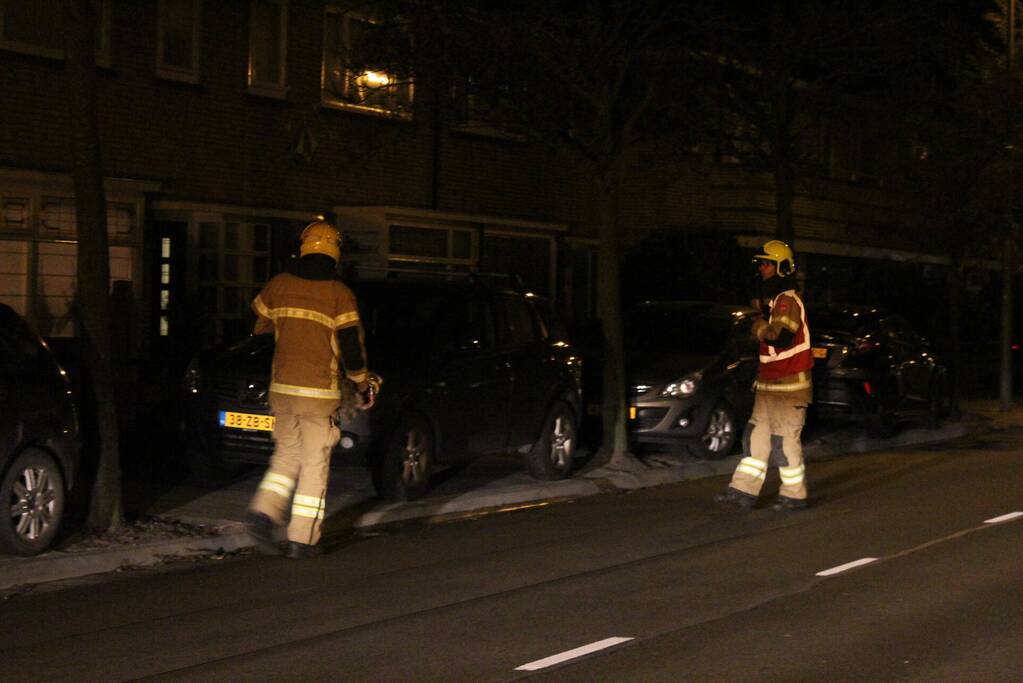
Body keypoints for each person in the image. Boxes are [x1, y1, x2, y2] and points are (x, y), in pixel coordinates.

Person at [245, 219, 375, 558]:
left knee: (287, 453)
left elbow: (259, 325)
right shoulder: (339, 295)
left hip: (282, 390)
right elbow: (351, 348)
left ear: (303, 248)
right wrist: (362, 384)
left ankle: (264, 509)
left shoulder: (278, 285)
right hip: (319, 395)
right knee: (315, 464)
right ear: (335, 254)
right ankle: (302, 539)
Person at [716, 239, 813, 512]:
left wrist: (758, 326)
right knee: (754, 438)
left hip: (790, 385)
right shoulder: (774, 302)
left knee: (784, 442)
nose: (762, 269)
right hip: (770, 384)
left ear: (782, 268)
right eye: (761, 263)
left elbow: (780, 338)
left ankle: (795, 495)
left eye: (767, 264)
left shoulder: (787, 301)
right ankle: (743, 490)